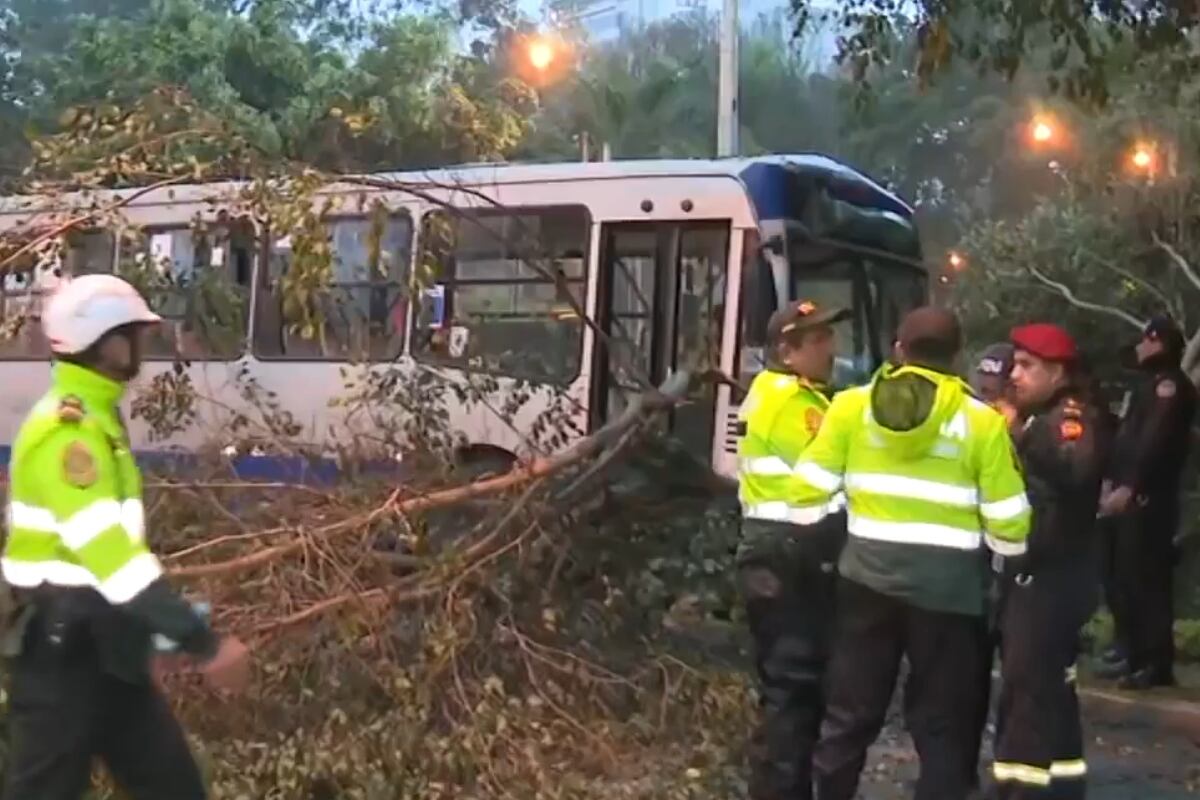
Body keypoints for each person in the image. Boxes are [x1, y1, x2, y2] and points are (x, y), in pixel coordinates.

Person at [1, 274, 251, 800]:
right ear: (106, 343)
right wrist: (199, 641)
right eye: (134, 335)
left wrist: (140, 639)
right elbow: (111, 557)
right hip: (60, 664)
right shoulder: (67, 433)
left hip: (109, 655)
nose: (142, 347)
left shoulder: (97, 419)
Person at [788, 306, 1032, 800]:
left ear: (899, 348)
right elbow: (1010, 523)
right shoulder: (981, 423)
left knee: (849, 716)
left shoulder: (851, 407)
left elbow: (805, 495)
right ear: (957, 356)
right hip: (949, 596)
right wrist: (1002, 560)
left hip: (865, 582)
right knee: (943, 725)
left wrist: (848, 532)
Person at [990, 323, 1110, 799]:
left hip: (1052, 578)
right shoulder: (1039, 415)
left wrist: (1020, 432)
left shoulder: (1069, 417)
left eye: (1027, 366)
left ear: (1057, 371)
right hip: (1043, 574)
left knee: (1029, 691)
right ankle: (1062, 787)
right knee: (1049, 692)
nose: (1014, 374)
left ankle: (1020, 791)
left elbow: (1075, 470)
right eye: (1014, 363)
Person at [736, 299, 850, 800]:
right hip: (787, 554)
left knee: (792, 688)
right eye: (819, 339)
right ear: (788, 349)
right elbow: (830, 473)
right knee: (794, 688)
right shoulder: (793, 406)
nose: (831, 348)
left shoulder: (793, 394)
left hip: (781, 553)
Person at [1097, 315, 1197, 689]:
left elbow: (1154, 443)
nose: (1139, 348)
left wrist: (1132, 485)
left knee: (1147, 579)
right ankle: (1135, 654)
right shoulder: (1146, 385)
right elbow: (1127, 440)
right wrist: (1111, 481)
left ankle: (1155, 663)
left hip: (1149, 498)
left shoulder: (1169, 387)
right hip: (1128, 493)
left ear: (1156, 342)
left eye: (1144, 341)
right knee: (1124, 576)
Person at [965, 341, 1017, 794]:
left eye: (995, 378)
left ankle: (1010, 761)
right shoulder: (968, 420)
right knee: (968, 672)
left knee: (1019, 674)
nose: (987, 386)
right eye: (982, 378)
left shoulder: (1028, 426)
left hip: (1015, 566)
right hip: (973, 562)